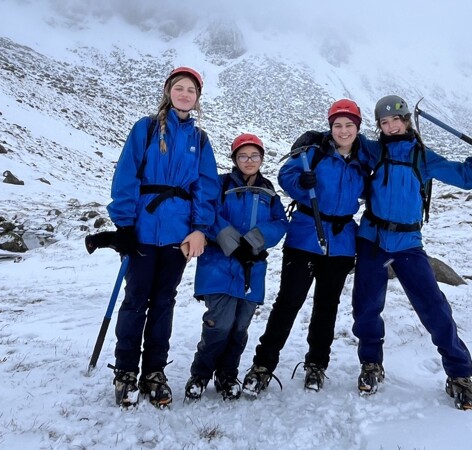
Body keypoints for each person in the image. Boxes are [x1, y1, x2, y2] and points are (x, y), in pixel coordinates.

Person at [350, 95, 472, 410]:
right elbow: (344, 139)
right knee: (366, 307)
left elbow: (464, 177)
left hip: (408, 244)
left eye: (396, 120)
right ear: (379, 126)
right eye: (384, 122)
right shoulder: (373, 150)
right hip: (372, 239)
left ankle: (460, 374)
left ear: (406, 121)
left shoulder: (423, 157)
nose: (391, 126)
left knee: (434, 308)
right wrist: (316, 138)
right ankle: (371, 363)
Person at [105, 66, 220, 408]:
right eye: (180, 88)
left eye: (192, 90)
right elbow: (126, 174)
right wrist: (124, 225)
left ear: (197, 99)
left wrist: (200, 227)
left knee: (164, 303)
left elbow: (206, 187)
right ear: (169, 91)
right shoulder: (147, 128)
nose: (185, 94)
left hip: (178, 235)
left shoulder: (199, 140)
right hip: (142, 229)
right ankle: (126, 370)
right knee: (136, 301)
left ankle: (154, 371)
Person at [242, 99, 367, 394]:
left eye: (349, 125)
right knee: (288, 303)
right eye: (338, 125)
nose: (343, 130)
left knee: (327, 306)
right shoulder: (314, 152)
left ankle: (316, 365)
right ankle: (263, 365)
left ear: (358, 128)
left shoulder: (364, 160)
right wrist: (301, 182)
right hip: (304, 236)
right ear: (330, 127)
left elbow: (372, 189)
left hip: (341, 241)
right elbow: (286, 175)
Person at [186, 133, 288, 401]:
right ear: (234, 159)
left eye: (254, 155)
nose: (249, 160)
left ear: (262, 159)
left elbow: (280, 223)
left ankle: (227, 374)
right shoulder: (219, 185)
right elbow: (208, 213)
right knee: (219, 324)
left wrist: (254, 240)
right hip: (219, 263)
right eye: (243, 155)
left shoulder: (268, 192)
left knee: (240, 326)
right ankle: (200, 374)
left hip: (252, 269)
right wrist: (232, 241)